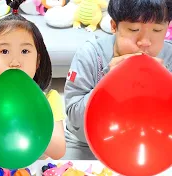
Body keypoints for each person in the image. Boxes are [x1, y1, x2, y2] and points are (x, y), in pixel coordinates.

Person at [63, 0, 172, 160]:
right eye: (134, 29)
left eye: (157, 30)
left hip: (146, 141)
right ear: (114, 26)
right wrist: (108, 84)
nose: (145, 43)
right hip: (86, 142)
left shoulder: (169, 56)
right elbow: (74, 117)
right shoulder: (90, 55)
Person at [0, 0, 66, 160]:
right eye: (4, 51)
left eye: (25, 51)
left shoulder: (50, 99)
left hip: (33, 172)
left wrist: (27, 122)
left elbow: (58, 152)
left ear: (38, 61)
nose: (15, 61)